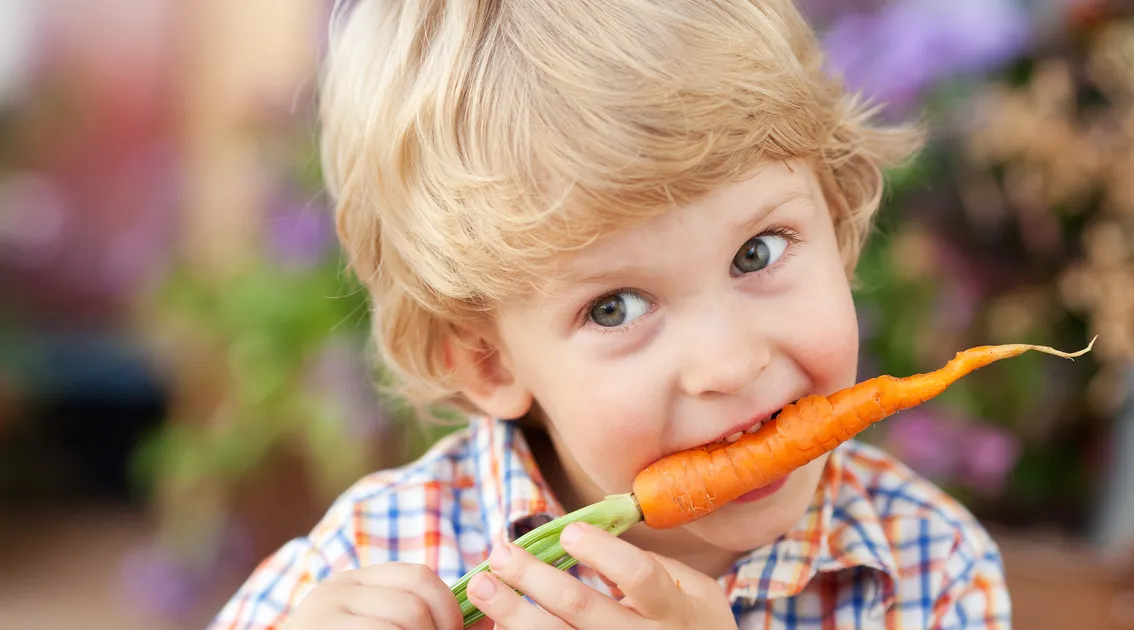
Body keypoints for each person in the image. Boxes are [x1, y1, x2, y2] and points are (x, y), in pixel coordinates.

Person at [210, 0, 1012, 628]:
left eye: (759, 253)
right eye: (616, 308)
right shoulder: (369, 560)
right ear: (487, 359)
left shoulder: (927, 571)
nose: (731, 362)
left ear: (833, 215)